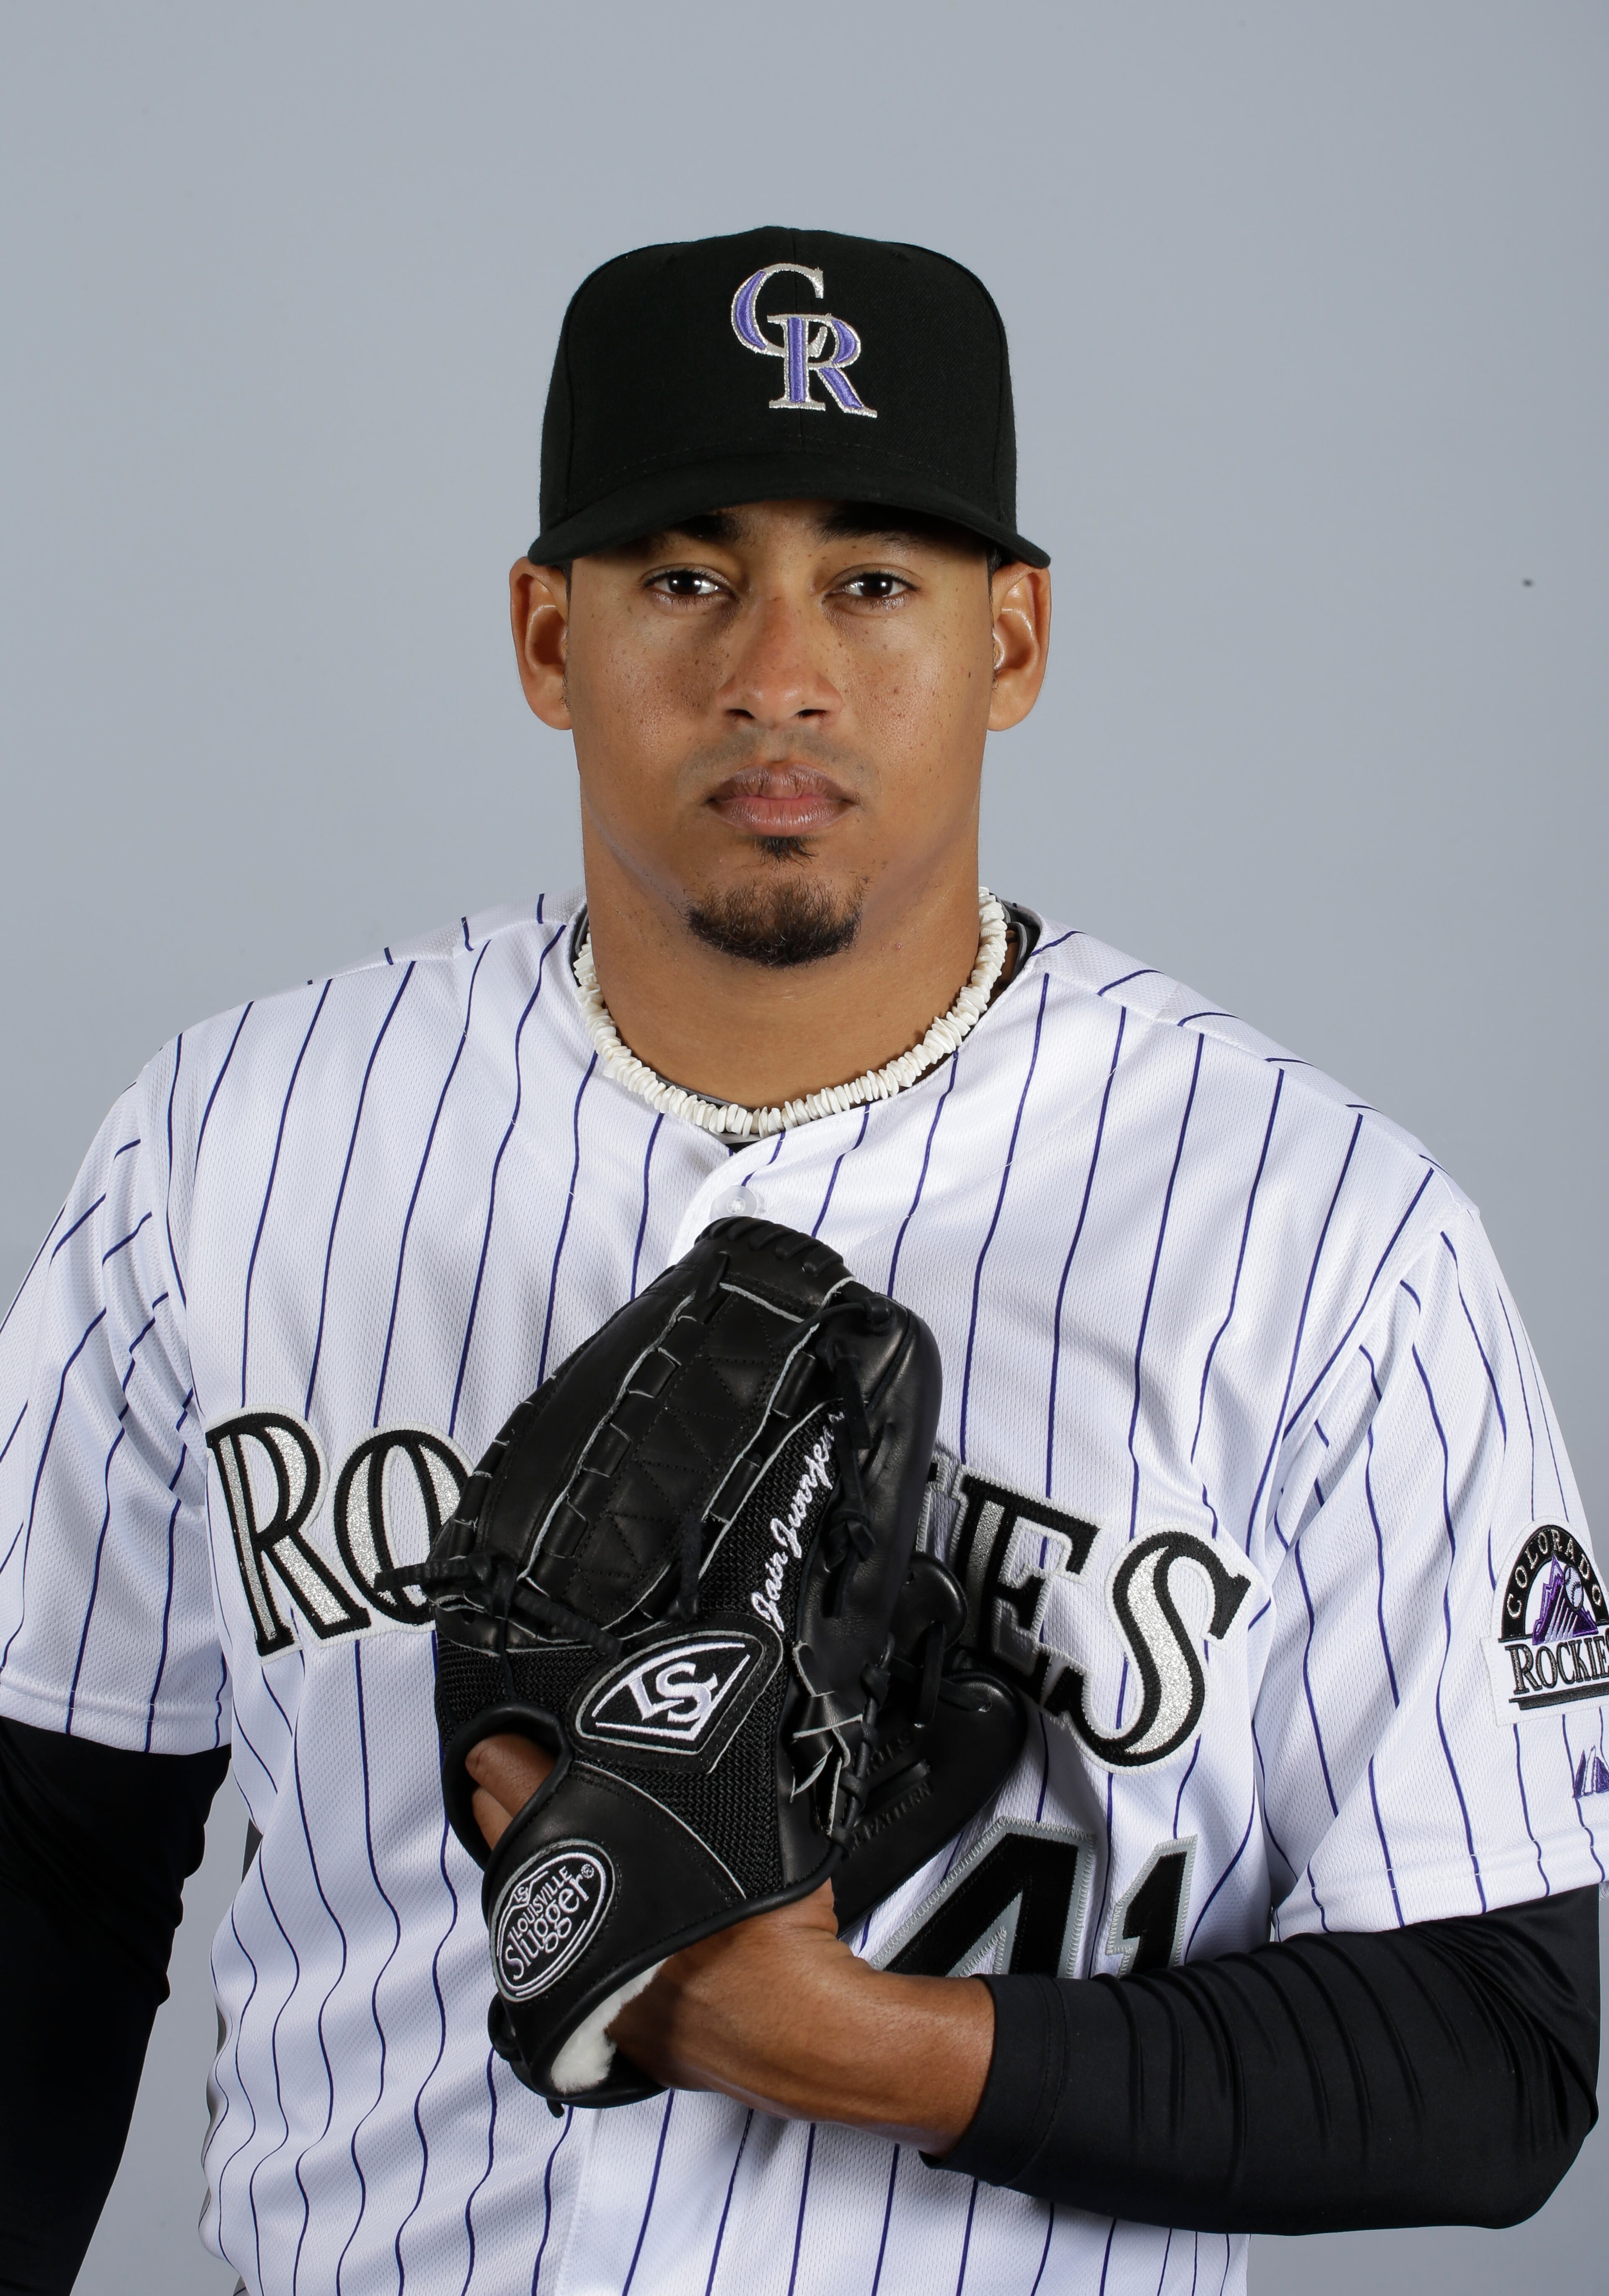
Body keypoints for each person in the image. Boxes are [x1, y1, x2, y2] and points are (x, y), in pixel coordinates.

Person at [0, 225, 1599, 2296]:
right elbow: (48, 1868)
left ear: (1012, 640)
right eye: (684, 574)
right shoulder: (227, 1145)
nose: (778, 668)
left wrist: (864, 2046)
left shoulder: (1327, 1235)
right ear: (545, 636)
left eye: (871, 579)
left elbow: (1501, 2049)